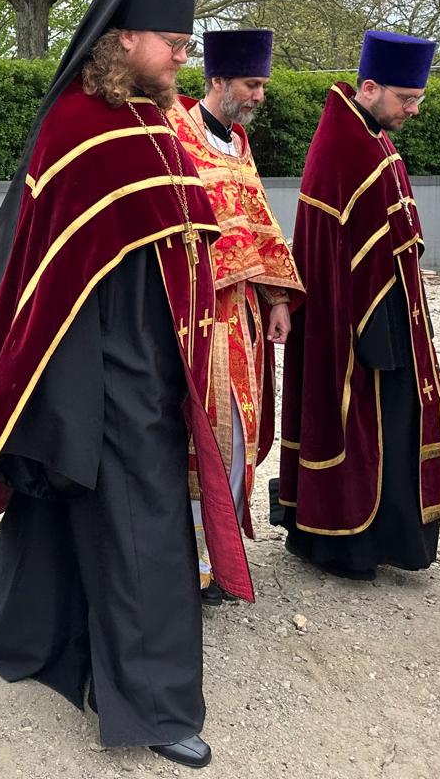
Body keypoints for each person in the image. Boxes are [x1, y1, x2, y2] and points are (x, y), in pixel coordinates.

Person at [0, 0, 252, 770]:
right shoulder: (79, 125)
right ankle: (154, 704)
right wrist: (85, 395)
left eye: (186, 44)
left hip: (149, 354)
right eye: (171, 42)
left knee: (68, 509)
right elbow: (49, 276)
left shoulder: (146, 116)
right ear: (123, 39)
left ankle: (18, 631)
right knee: (145, 526)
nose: (183, 56)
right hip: (106, 367)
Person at [274, 30, 440, 581]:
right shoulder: (347, 148)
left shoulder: (369, 136)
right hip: (362, 326)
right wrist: (378, 337)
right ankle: (348, 544)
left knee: (393, 426)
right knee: (369, 427)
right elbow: (346, 258)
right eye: (407, 98)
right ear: (369, 88)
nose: (414, 109)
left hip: (390, 313)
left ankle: (382, 538)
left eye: (418, 99)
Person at [167, 29, 304, 601]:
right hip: (195, 317)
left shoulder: (239, 144)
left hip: (242, 314)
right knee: (200, 437)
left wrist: (277, 299)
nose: (259, 96)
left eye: (262, 85)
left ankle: (218, 555)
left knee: (241, 434)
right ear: (217, 80)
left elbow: (260, 223)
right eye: (252, 84)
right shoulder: (175, 132)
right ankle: (189, 563)